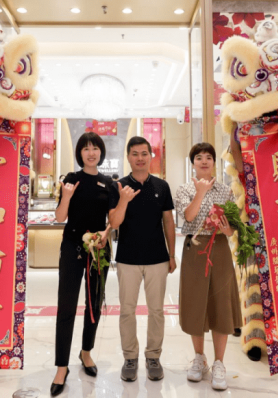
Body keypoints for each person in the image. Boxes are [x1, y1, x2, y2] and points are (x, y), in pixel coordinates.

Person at [174, 143, 242, 391]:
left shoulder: (225, 190)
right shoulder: (184, 189)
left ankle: (219, 363)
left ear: (214, 162)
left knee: (221, 303)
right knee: (196, 304)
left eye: (208, 157)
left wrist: (227, 229)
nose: (204, 161)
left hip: (220, 249)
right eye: (199, 158)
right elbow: (189, 217)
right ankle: (199, 358)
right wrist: (200, 193)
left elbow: (232, 228)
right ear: (192, 162)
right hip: (194, 249)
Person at [50, 133, 113, 397]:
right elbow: (59, 216)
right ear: (80, 153)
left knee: (94, 304)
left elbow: (113, 220)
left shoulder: (109, 183)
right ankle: (61, 367)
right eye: (86, 149)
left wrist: (105, 234)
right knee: (66, 306)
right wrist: (66, 196)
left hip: (99, 249)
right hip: (72, 248)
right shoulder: (71, 179)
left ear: (101, 152)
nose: (91, 152)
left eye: (95, 148)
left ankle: (86, 352)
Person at [109, 136, 177, 382]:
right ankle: (130, 357)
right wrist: (124, 200)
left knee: (156, 310)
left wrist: (172, 254)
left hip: (157, 258)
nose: (140, 158)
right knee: (127, 310)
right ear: (128, 157)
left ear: (151, 156)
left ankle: (153, 356)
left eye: (144, 153)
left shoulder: (162, 186)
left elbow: (168, 221)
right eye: (135, 154)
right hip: (127, 259)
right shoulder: (118, 186)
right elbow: (114, 223)